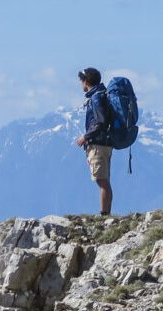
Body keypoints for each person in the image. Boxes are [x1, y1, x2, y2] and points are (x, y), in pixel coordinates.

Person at [74, 68, 114, 217]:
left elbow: (100, 122)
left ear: (86, 81)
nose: (81, 84)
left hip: (98, 145)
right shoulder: (101, 95)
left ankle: (104, 215)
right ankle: (106, 214)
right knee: (103, 180)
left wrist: (85, 137)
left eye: (81, 81)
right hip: (104, 144)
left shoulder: (96, 98)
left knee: (102, 181)